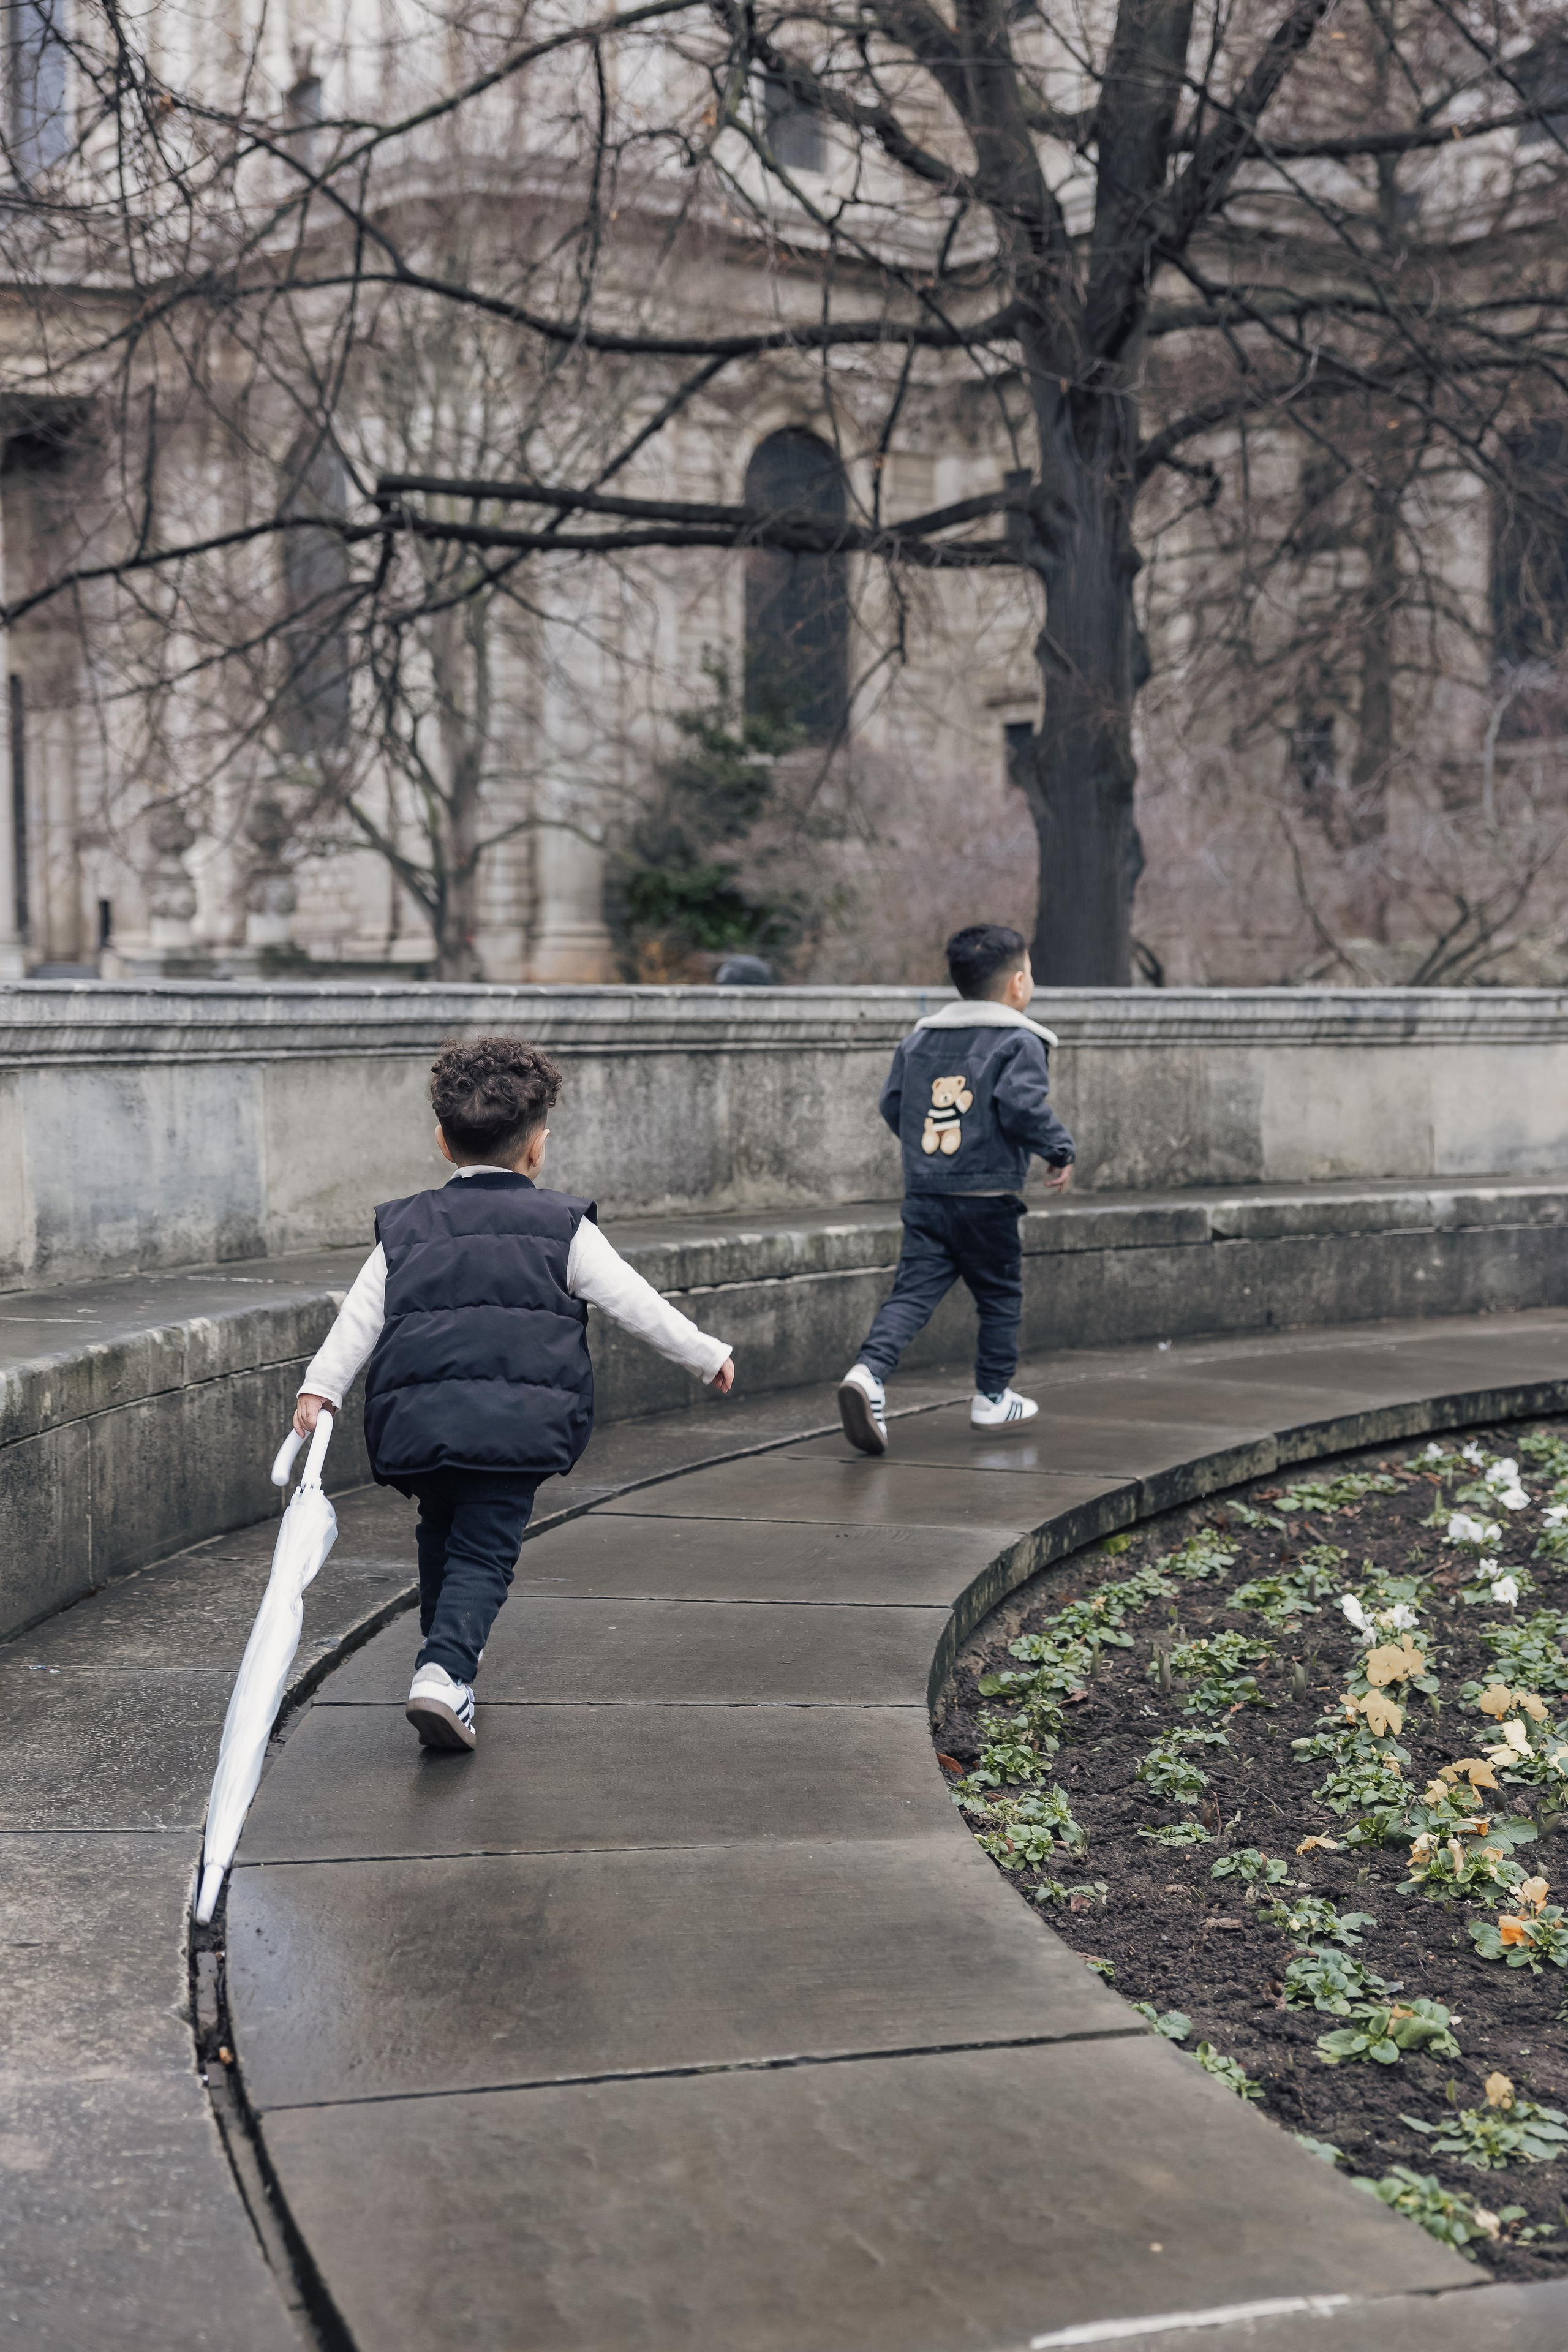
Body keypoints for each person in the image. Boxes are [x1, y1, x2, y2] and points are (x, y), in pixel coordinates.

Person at [292, 1036, 735, 1752]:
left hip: (419, 1421)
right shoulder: (562, 1226)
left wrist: (322, 1387)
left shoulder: (404, 1227)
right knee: (485, 1553)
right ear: (538, 1148)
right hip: (515, 1423)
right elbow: (637, 1304)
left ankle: (446, 1661)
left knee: (442, 1533)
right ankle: (444, 1671)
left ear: (442, 1141)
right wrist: (706, 1354)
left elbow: (359, 1317)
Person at [836, 922, 1074, 1455]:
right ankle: (992, 1395)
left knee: (913, 1294)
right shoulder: (1019, 1039)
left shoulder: (920, 1040)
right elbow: (1022, 1108)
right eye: (1030, 972)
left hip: (926, 1196)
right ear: (1017, 984)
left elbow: (893, 1104)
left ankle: (868, 1375)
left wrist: (927, 1155)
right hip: (988, 1201)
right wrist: (1060, 1150)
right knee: (999, 1296)